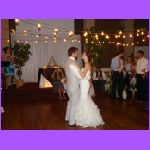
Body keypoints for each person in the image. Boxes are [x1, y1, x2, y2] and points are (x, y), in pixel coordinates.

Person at [75, 52, 105, 128]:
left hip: (84, 83)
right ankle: (85, 116)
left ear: (87, 56)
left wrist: (77, 69)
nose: (82, 55)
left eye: (83, 54)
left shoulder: (87, 64)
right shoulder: (87, 64)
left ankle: (86, 118)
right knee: (85, 98)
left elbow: (82, 75)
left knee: (84, 98)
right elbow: (88, 75)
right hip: (84, 82)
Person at [64, 47, 89, 125]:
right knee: (74, 103)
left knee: (70, 102)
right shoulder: (72, 63)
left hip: (68, 85)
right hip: (74, 86)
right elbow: (81, 76)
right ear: (74, 53)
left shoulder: (67, 62)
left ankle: (67, 118)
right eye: (77, 52)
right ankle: (72, 121)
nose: (77, 54)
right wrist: (87, 64)